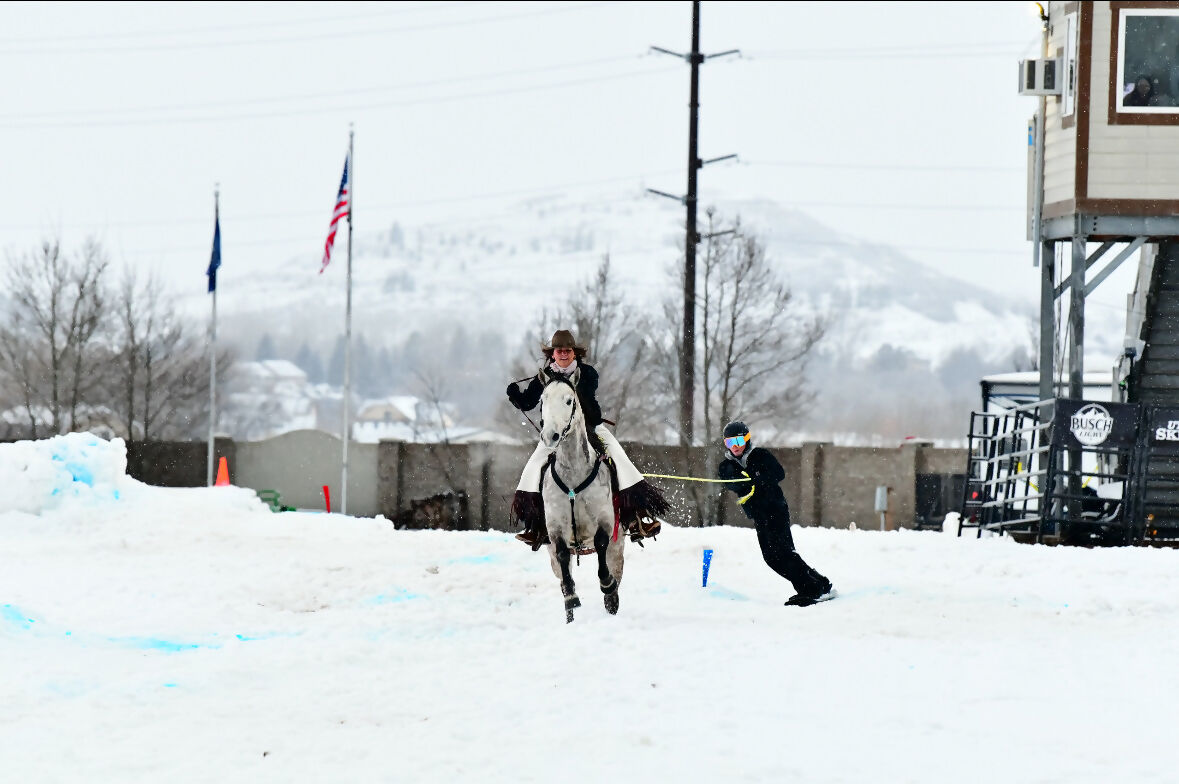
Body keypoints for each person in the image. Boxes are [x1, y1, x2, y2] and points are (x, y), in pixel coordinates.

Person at [506, 329, 668, 550]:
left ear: (574, 353)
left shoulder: (588, 373)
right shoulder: (543, 376)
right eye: (559, 350)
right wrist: (515, 394)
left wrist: (566, 384)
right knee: (532, 468)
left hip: (588, 428)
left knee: (620, 458)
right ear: (552, 354)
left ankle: (636, 519)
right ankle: (536, 527)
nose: (563, 354)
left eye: (567, 350)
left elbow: (587, 402)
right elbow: (527, 403)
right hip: (554, 435)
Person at [716, 420, 835, 606]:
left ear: (747, 439)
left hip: (774, 510)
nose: (735, 447)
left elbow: (778, 473)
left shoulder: (760, 455)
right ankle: (820, 584)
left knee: (783, 553)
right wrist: (741, 480)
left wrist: (756, 478)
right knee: (772, 558)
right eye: (730, 443)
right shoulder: (727, 466)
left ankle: (812, 589)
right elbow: (729, 482)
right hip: (759, 515)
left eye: (738, 441)